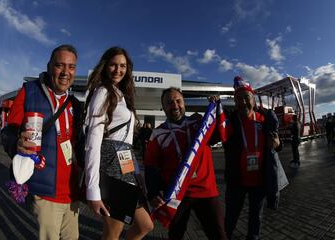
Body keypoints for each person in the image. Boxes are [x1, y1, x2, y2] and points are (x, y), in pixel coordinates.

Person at [1, 44, 81, 240]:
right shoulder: (29, 91)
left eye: (71, 67)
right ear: (49, 66)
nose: (65, 73)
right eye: (59, 65)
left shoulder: (76, 105)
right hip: (45, 193)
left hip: (72, 194)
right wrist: (15, 144)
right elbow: (9, 131)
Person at [83, 46, 153, 239]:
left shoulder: (121, 95)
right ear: (105, 66)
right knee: (113, 233)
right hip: (110, 166)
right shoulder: (103, 92)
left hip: (126, 165)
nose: (118, 70)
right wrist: (92, 189)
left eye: (122, 66)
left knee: (145, 225)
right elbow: (93, 142)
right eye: (113, 65)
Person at [144, 87, 227, 240]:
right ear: (163, 107)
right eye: (169, 103)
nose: (174, 105)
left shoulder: (200, 123)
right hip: (176, 193)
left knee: (218, 234)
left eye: (178, 101)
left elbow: (218, 136)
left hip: (205, 190)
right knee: (176, 235)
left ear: (184, 103)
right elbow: (151, 166)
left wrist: (216, 108)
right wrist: (153, 193)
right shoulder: (157, 133)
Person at [218, 76, 281, 240]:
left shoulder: (264, 119)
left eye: (246, 98)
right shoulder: (230, 121)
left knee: (256, 219)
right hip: (236, 181)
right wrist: (215, 106)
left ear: (253, 99)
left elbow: (276, 144)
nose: (243, 102)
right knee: (230, 219)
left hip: (259, 182)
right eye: (238, 99)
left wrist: (277, 144)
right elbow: (216, 134)